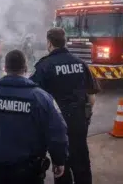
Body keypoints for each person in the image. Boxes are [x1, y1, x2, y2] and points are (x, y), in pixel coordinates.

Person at [0, 49, 69, 184]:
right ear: (26, 68)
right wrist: (59, 160)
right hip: (29, 171)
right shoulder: (40, 97)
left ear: (5, 68)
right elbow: (58, 132)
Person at [30, 27, 100, 184]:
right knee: (82, 162)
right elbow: (92, 98)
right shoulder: (81, 64)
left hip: (56, 127)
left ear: (49, 43)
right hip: (79, 124)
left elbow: (34, 99)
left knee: (61, 165)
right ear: (65, 42)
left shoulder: (44, 67)